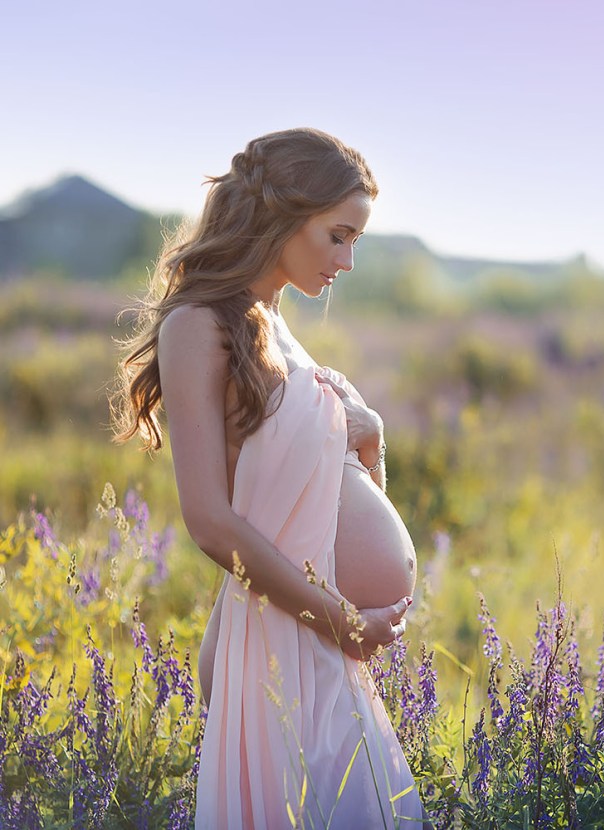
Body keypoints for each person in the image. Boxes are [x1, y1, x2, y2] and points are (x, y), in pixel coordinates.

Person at [114, 128, 425, 828]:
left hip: (323, 638)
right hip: (286, 633)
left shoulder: (276, 319)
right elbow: (210, 522)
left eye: (357, 242)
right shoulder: (200, 324)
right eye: (337, 236)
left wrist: (372, 444)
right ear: (284, 217)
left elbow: (325, 496)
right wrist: (346, 622)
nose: (347, 261)